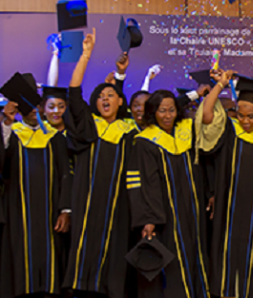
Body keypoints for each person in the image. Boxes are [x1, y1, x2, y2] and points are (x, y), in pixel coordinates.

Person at [197, 70, 253, 298]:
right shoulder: (230, 131)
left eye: (251, 116)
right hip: (230, 206)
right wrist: (220, 85)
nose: (245, 121)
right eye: (240, 115)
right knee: (227, 252)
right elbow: (206, 115)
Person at [62, 29, 138, 298]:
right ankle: (81, 289)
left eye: (110, 95)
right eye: (100, 96)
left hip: (118, 203)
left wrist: (120, 77)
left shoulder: (129, 131)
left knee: (115, 246)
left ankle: (110, 290)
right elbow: (74, 93)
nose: (105, 98)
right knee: (83, 245)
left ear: (120, 101)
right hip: (86, 199)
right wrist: (85, 55)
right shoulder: (89, 126)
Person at [129, 89, 210, 298]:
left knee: (197, 253)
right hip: (164, 213)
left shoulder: (187, 131)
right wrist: (148, 218)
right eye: (162, 111)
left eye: (171, 110)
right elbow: (143, 184)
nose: (167, 115)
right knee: (173, 260)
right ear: (153, 112)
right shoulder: (145, 141)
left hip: (193, 209)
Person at [0, 78, 73, 298]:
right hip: (18, 210)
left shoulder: (54, 137)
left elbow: (65, 174)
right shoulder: (12, 134)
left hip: (50, 211)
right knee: (20, 254)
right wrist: (6, 123)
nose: (33, 110)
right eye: (27, 105)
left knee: (50, 257)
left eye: (37, 105)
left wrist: (65, 210)